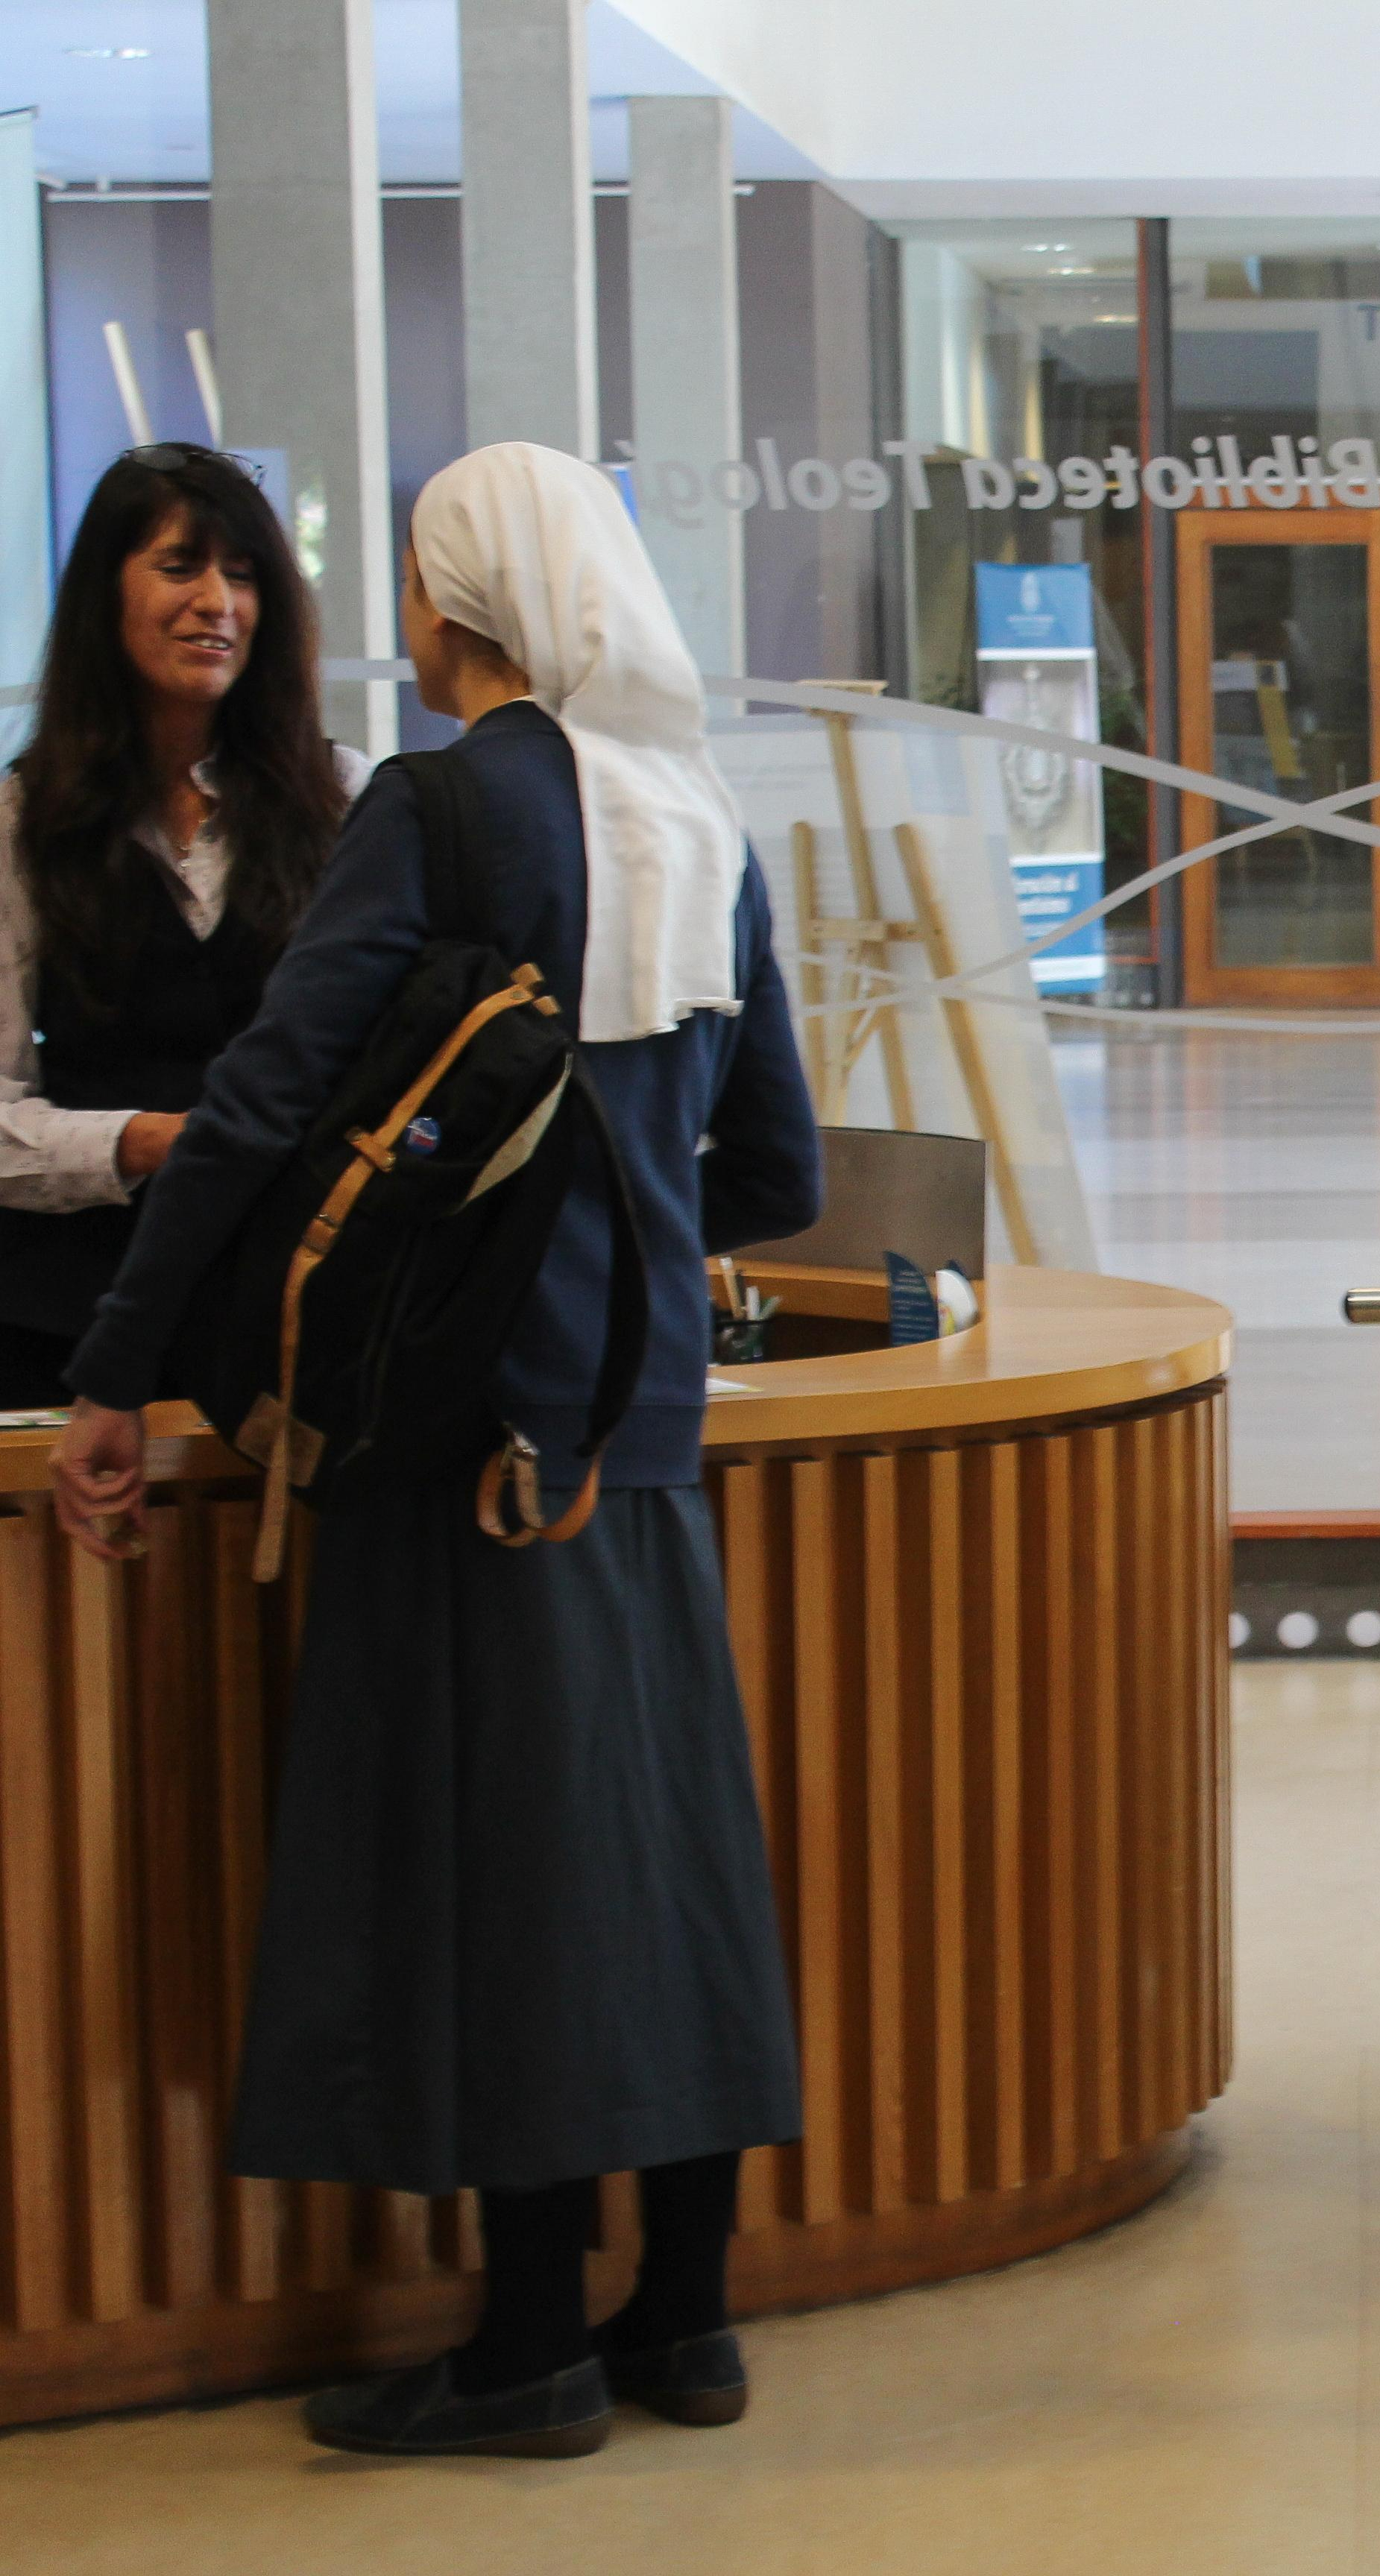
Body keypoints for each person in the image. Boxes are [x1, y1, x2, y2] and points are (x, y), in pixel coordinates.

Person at [49, 442, 823, 2455]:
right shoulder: (704, 821)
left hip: (467, 1440)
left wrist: (122, 1371)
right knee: (664, 1867)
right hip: (644, 1445)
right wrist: (626, 1238)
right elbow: (776, 1169)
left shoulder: (447, 807)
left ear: (452, 598)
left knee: (505, 1880)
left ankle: (522, 2350)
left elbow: (257, 1105)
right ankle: (687, 2323)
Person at [0, 445, 362, 1406]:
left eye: (242, 577)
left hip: (298, 1325)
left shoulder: (348, 799)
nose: (218, 603)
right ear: (102, 595)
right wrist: (149, 1141)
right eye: (179, 567)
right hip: (65, 1327)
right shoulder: (19, 823)